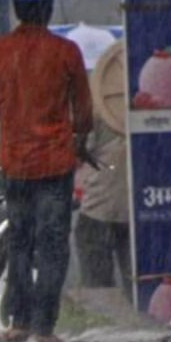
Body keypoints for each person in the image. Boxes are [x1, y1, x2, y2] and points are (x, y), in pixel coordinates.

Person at [0, 0, 93, 342]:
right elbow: (84, 111)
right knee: (53, 246)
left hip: (15, 164)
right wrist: (79, 137)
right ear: (48, 11)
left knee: (20, 243)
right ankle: (45, 327)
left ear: (16, 10)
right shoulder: (66, 51)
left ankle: (18, 322)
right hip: (56, 165)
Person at [74, 118, 131, 289]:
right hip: (142, 210)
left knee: (98, 295)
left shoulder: (93, 100)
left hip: (98, 211)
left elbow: (72, 150)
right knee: (141, 294)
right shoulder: (150, 101)